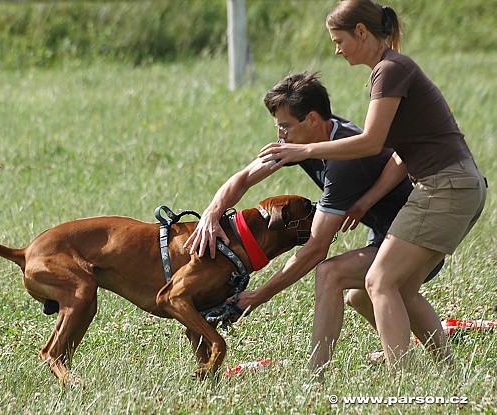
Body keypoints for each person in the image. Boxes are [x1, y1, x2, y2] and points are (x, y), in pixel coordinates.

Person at [258, 0, 487, 368]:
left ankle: (402, 381)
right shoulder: (391, 69)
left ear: (360, 33)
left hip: (445, 187)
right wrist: (367, 202)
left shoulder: (390, 70)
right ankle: (448, 371)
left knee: (380, 281)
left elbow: (371, 143)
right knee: (392, 291)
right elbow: (399, 152)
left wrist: (307, 150)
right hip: (459, 185)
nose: (336, 49)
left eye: (339, 40)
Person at [184, 71, 443, 376]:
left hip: (416, 236)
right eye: (278, 126)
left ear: (313, 120)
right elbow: (243, 178)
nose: (281, 135)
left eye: (285, 126)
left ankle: (316, 377)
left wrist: (260, 295)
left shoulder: (342, 162)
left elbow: (316, 248)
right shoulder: (305, 140)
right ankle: (441, 366)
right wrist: (212, 213)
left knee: (330, 273)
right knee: (361, 296)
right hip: (391, 235)